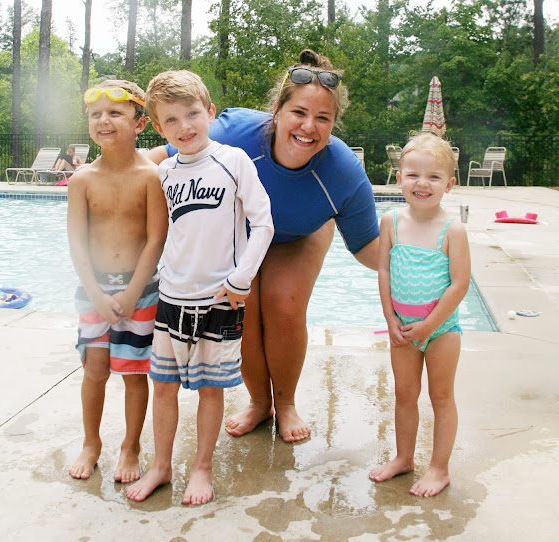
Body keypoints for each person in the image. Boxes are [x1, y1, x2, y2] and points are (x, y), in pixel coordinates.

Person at [146, 49, 379, 443]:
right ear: (277, 111)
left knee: (284, 303)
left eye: (323, 118)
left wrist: (417, 258)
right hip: (245, 232)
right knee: (241, 303)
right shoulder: (235, 136)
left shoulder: (344, 173)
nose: (308, 127)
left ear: (333, 124)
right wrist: (107, 178)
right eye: (298, 112)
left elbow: (368, 246)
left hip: (301, 234)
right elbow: (160, 158)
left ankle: (285, 404)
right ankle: (259, 402)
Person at [126, 70, 274, 505]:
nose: (184, 126)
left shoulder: (234, 161)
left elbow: (263, 223)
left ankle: (202, 468)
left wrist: (241, 279)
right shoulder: (163, 172)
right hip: (171, 297)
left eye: (192, 114)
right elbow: (158, 233)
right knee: (163, 386)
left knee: (212, 388)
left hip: (219, 299)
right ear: (158, 127)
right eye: (171, 120)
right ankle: (161, 466)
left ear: (210, 112)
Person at [67, 79, 168, 483]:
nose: (103, 120)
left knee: (134, 372)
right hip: (93, 290)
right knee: (95, 370)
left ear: (140, 123)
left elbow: (156, 239)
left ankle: (131, 446)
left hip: (140, 290)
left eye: (114, 113)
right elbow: (76, 242)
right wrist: (95, 293)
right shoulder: (82, 180)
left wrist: (131, 292)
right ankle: (91, 443)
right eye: (95, 114)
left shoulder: (151, 176)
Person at [369, 132, 470, 497]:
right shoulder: (391, 222)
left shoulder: (452, 229)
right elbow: (383, 270)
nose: (422, 183)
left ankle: (439, 469)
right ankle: (403, 458)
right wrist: (390, 318)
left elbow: (460, 284)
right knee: (404, 395)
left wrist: (429, 325)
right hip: (402, 329)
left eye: (433, 176)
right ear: (399, 179)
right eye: (413, 174)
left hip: (441, 330)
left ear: (449, 184)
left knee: (441, 398)